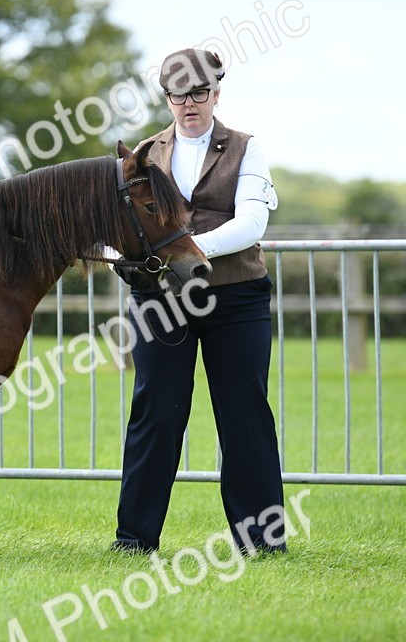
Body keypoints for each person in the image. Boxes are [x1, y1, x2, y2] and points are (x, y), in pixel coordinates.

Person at [113, 47, 286, 555]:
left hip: (236, 296)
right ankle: (134, 539)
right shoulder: (142, 153)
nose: (189, 103)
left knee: (244, 414)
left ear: (216, 93)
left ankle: (261, 540)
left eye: (199, 93)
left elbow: (252, 223)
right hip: (162, 302)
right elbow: (125, 221)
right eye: (178, 95)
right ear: (166, 99)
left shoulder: (246, 148)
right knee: (156, 412)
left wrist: (187, 253)